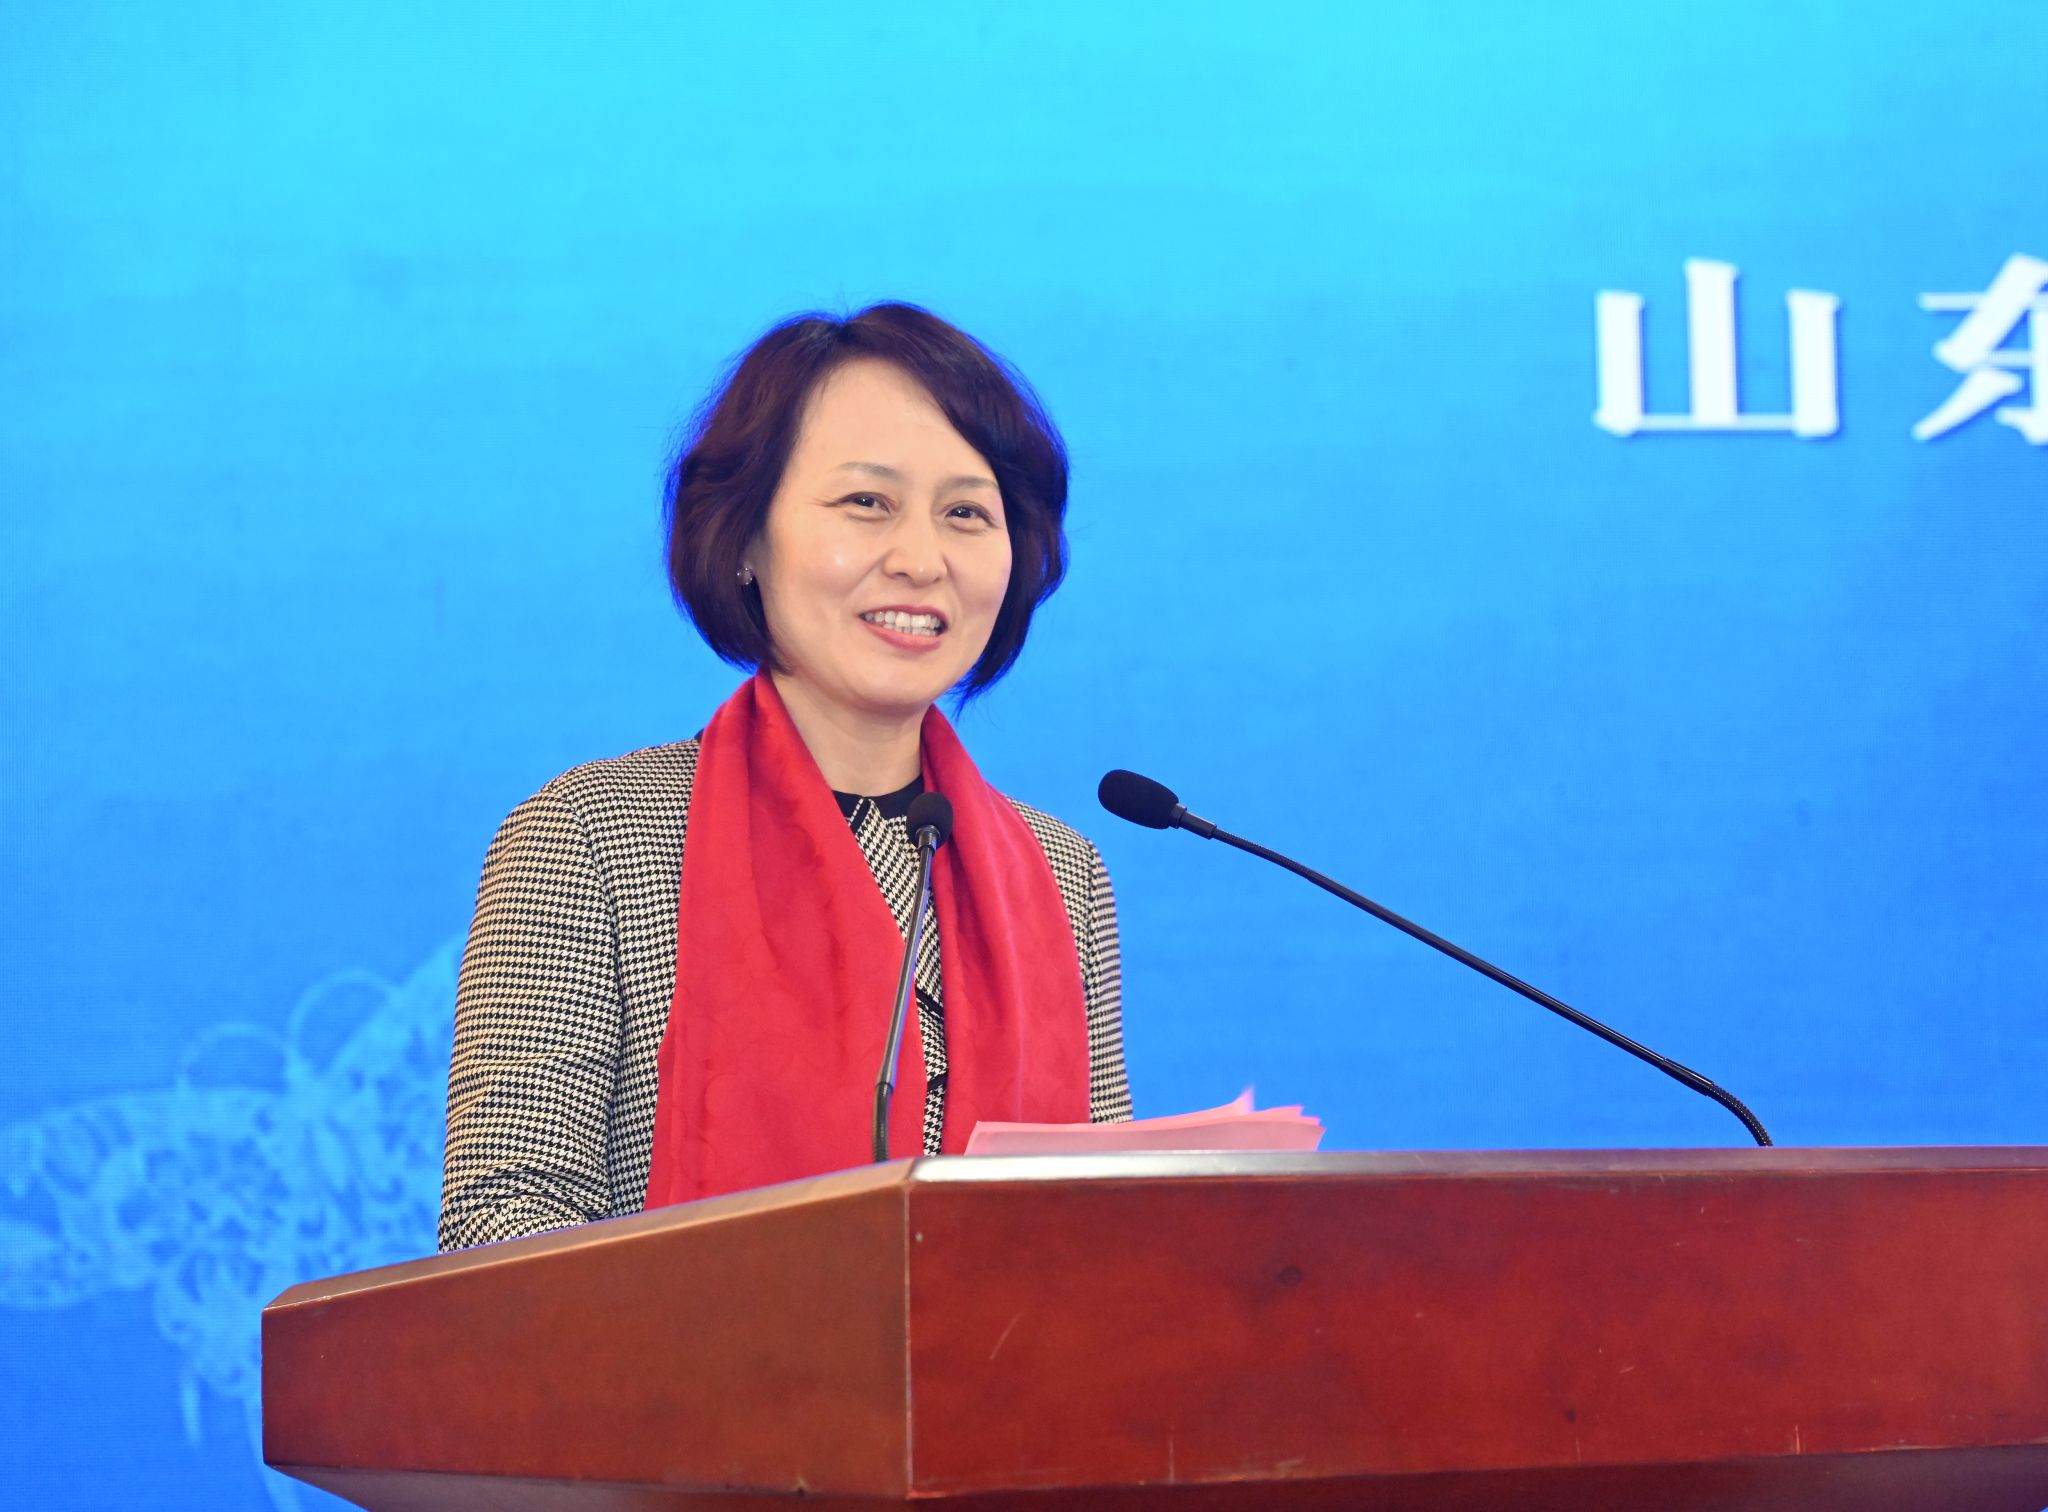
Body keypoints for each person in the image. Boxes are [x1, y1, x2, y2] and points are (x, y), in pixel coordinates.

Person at [438, 303, 1133, 1251]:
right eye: (867, 503)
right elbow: (500, 1229)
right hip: (691, 1355)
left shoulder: (1062, 877)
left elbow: (1102, 1238)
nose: (921, 560)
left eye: (967, 514)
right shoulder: (593, 838)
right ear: (746, 539)